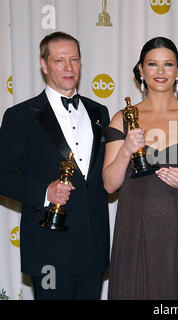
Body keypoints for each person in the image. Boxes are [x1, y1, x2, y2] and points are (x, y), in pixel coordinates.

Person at [0, 32, 110, 299]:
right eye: (59, 60)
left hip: (92, 249)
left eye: (74, 59)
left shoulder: (100, 112)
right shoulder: (20, 116)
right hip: (49, 247)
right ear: (44, 64)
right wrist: (44, 192)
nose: (69, 67)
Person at [103, 37, 178, 299]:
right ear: (141, 70)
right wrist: (126, 150)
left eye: (168, 64)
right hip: (135, 228)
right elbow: (109, 184)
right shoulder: (122, 118)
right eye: (153, 64)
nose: (161, 72)